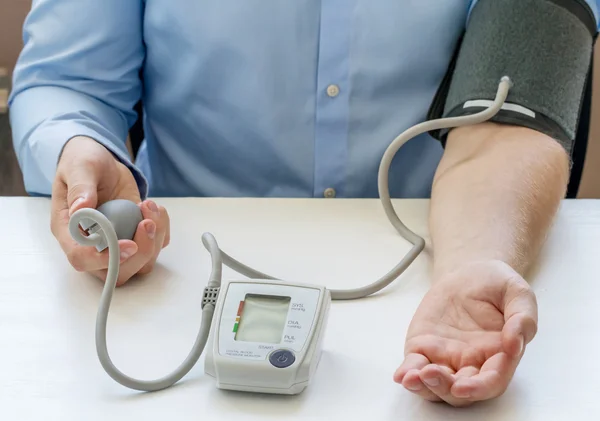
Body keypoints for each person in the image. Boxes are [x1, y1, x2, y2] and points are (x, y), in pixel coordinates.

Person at [8, 0, 598, 407]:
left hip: (425, 280)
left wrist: (476, 262)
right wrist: (81, 150)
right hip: (170, 282)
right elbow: (70, 81)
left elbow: (514, 112)